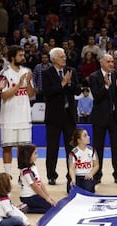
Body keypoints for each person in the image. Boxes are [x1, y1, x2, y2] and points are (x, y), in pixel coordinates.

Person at [42, 47, 81, 186]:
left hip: (69, 116)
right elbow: (46, 92)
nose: (64, 58)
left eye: (64, 56)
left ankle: (71, 175)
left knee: (71, 149)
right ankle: (51, 175)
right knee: (52, 148)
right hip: (54, 117)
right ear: (53, 59)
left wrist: (69, 83)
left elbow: (77, 90)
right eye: (61, 57)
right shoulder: (46, 73)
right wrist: (62, 83)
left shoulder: (72, 71)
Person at [0, 45, 35, 177]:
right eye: (20, 55)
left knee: (23, 148)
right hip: (8, 116)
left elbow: (30, 94)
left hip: (24, 116)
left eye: (23, 55)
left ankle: (22, 175)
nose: (23, 57)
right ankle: (7, 175)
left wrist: (28, 82)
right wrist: (19, 85)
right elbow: (3, 95)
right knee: (7, 147)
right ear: (13, 57)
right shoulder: (4, 73)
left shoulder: (27, 71)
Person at [89, 54, 117, 185]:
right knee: (98, 148)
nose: (111, 64)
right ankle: (97, 175)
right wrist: (106, 86)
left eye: (112, 61)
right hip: (100, 117)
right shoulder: (94, 77)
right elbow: (97, 96)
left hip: (115, 117)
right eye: (108, 61)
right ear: (102, 63)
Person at [18, 144, 57, 213]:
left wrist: (48, 196)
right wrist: (46, 198)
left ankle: (27, 206)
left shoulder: (33, 167)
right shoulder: (27, 171)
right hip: (29, 197)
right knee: (50, 208)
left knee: (53, 205)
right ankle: (26, 208)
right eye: (35, 153)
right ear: (28, 155)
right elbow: (35, 187)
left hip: (35, 195)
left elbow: (40, 183)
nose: (37, 155)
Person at [68, 128, 99, 193]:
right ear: (79, 140)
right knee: (72, 190)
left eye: (87, 135)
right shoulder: (73, 153)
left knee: (88, 191)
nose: (88, 137)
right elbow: (71, 168)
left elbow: (96, 165)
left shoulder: (92, 150)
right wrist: (73, 179)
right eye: (85, 136)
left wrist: (91, 174)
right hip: (77, 176)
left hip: (87, 176)